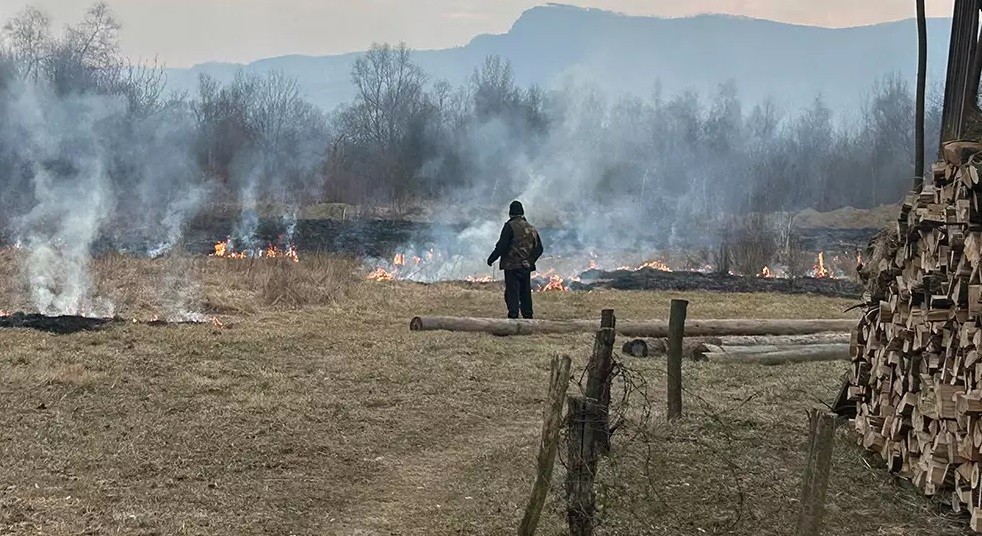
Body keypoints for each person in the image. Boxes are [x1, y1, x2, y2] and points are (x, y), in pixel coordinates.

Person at [486, 200, 544, 319]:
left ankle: (513, 317)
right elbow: (539, 248)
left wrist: (491, 258)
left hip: (512, 266)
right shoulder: (531, 228)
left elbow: (502, 246)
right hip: (525, 266)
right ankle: (528, 316)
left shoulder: (509, 226)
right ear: (522, 213)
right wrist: (530, 261)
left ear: (510, 213)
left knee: (512, 292)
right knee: (525, 292)